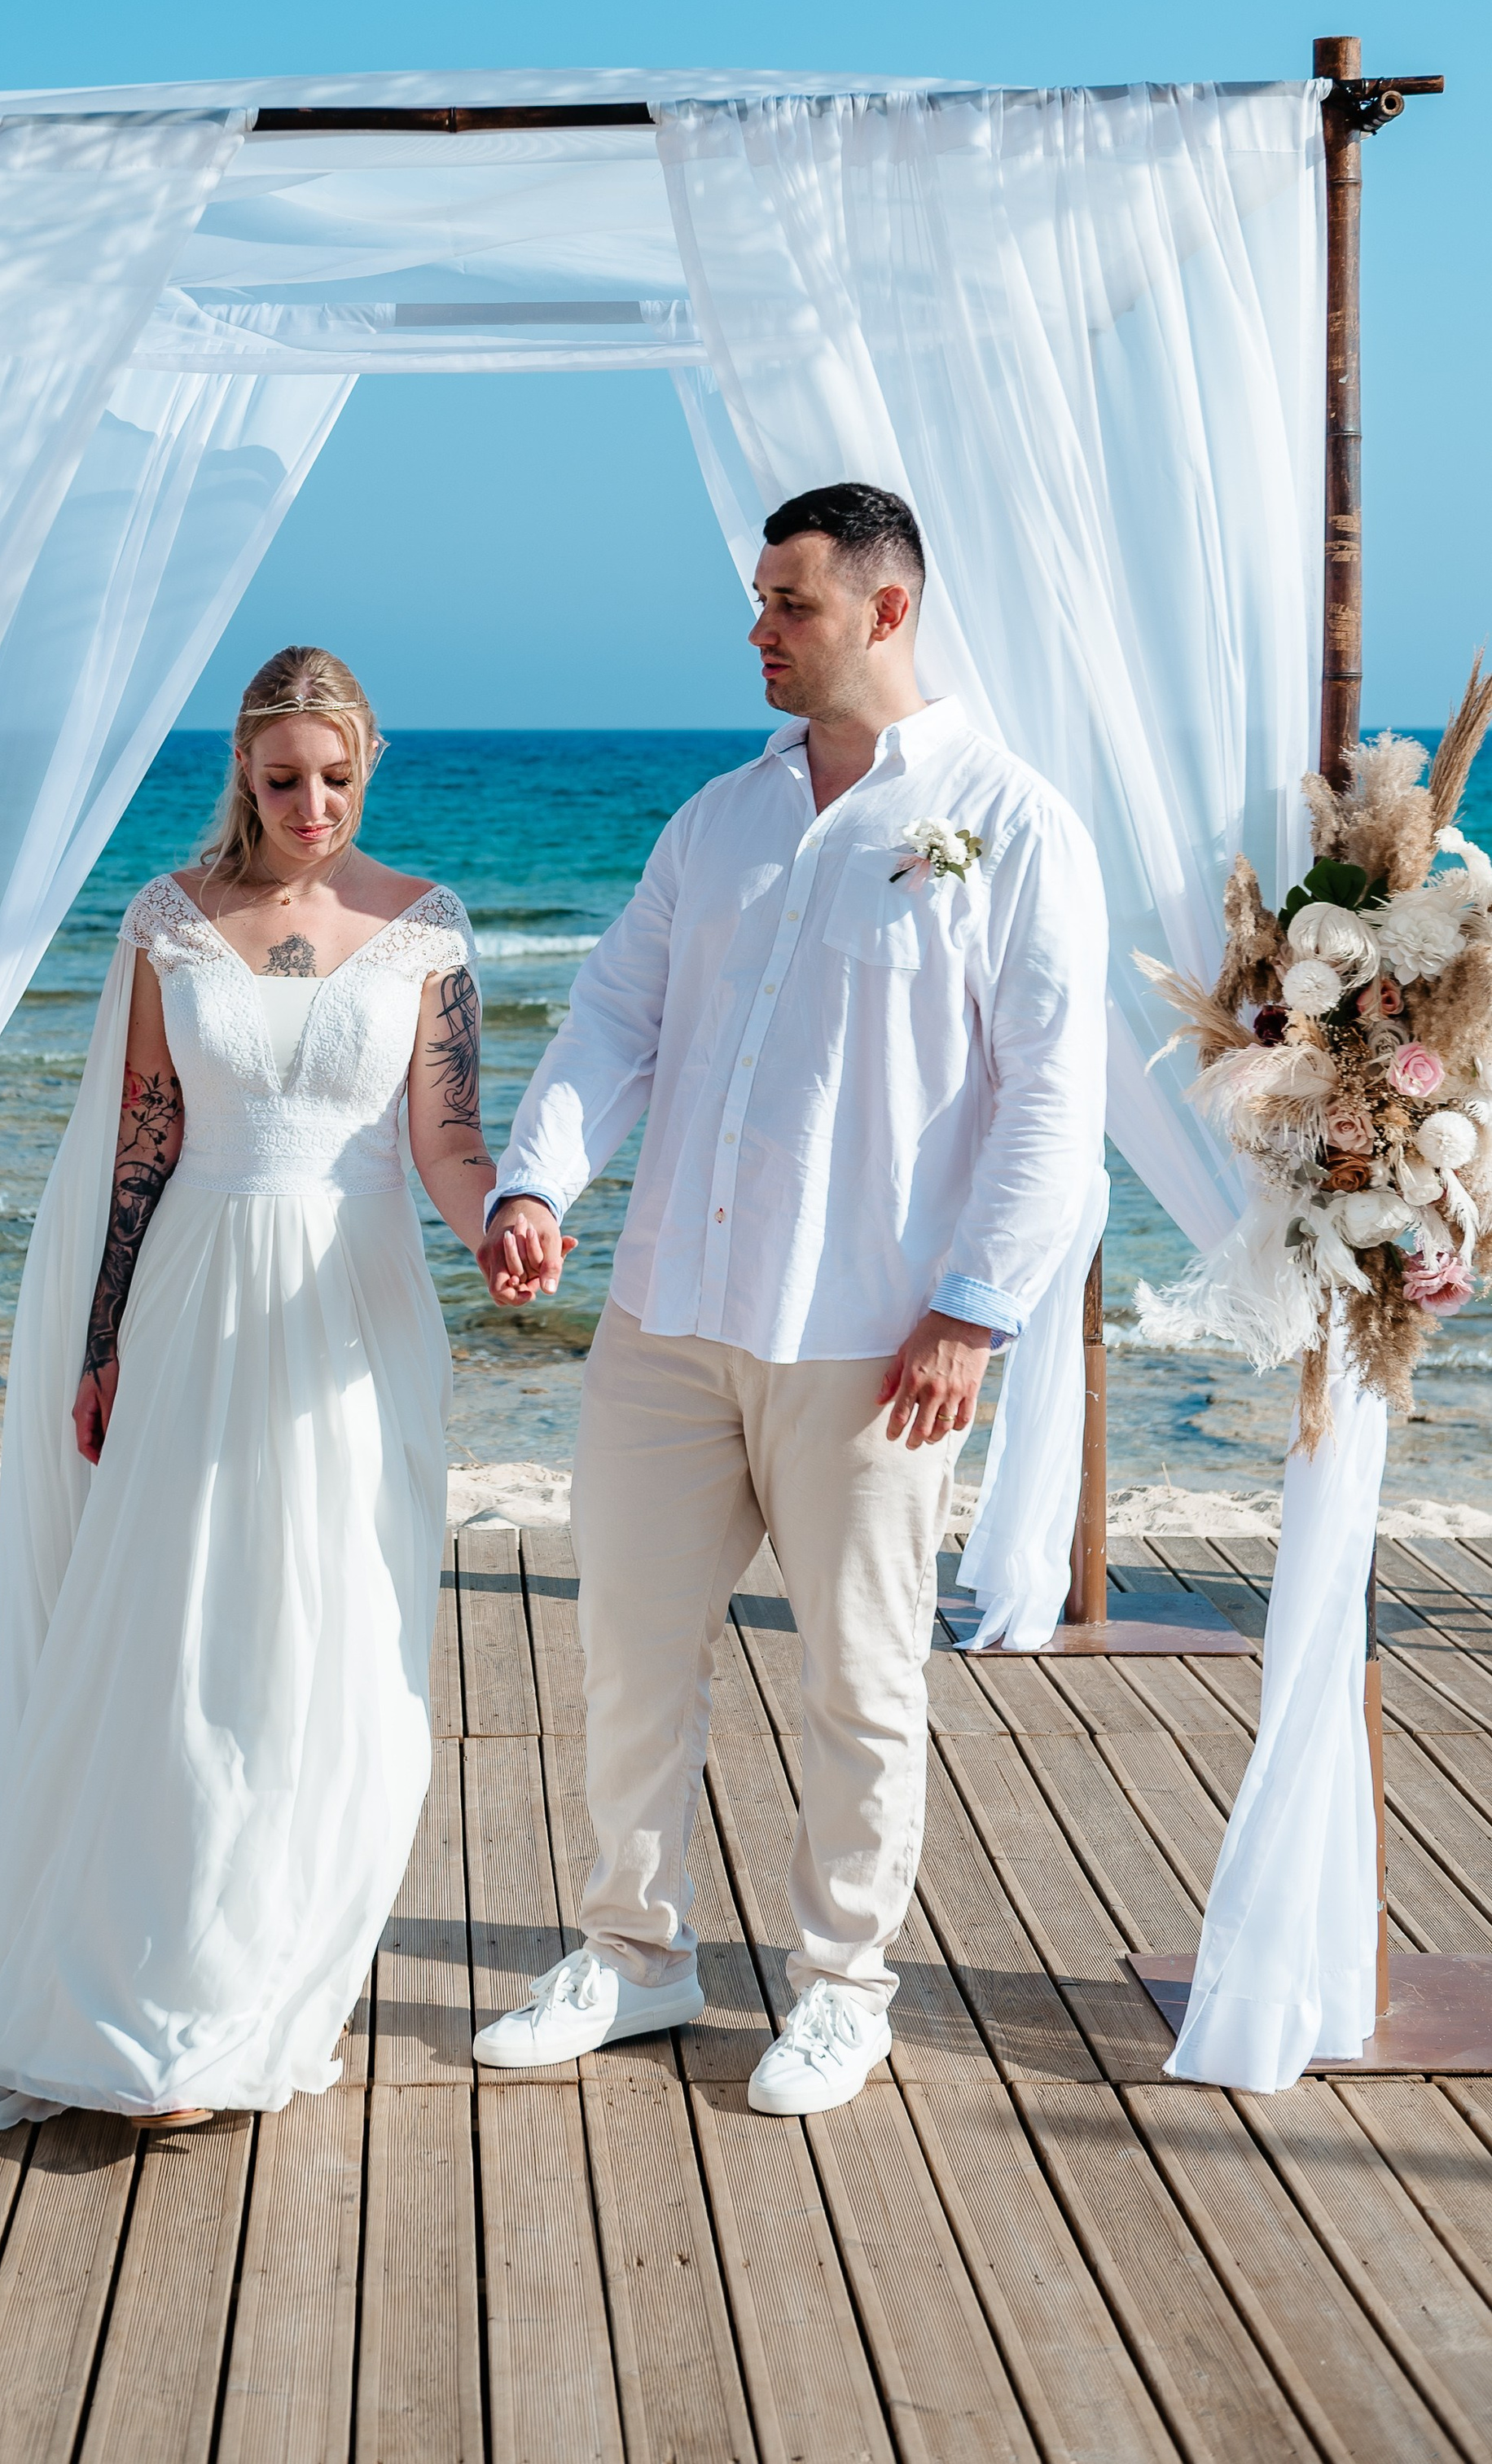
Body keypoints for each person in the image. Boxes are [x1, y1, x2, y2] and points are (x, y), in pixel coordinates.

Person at [0, 645, 492, 2129]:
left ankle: (267, 1966)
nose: (310, 804)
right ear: (242, 776)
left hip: (357, 1318)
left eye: (334, 776)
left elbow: (446, 1140)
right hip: (194, 1304)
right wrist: (101, 1339)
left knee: (335, 1647)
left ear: (368, 765)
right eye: (280, 778)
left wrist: (503, 1220)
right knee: (184, 1639)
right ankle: (153, 1982)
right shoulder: (172, 924)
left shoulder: (425, 928)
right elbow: (141, 1140)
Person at [473, 485, 1107, 2115]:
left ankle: (840, 1984)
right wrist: (535, 1178)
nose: (757, 628)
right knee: (628, 1648)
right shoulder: (715, 819)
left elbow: (1050, 1092)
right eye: (757, 600)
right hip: (670, 1314)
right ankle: (632, 1952)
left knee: (858, 1675)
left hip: (876, 1338)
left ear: (885, 611)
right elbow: (614, 1015)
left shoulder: (1009, 820)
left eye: (788, 604)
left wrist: (972, 1304)